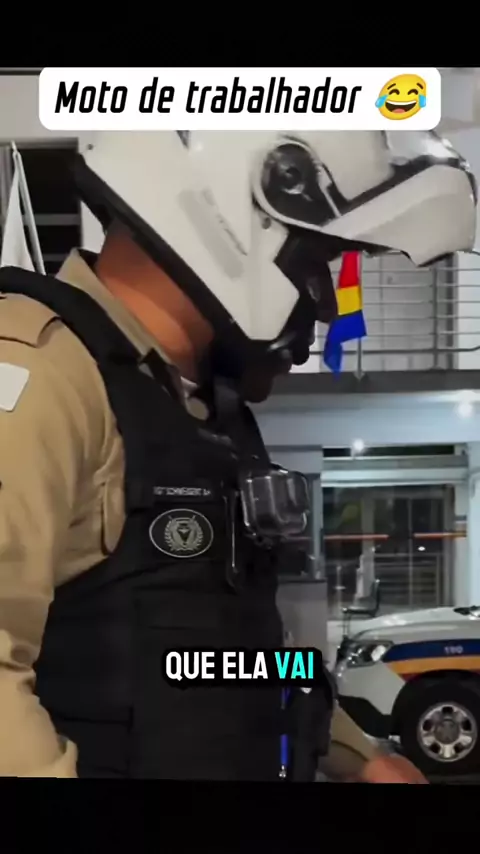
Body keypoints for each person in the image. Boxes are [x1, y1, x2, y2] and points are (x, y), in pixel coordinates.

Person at [0, 130, 475, 779]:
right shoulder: (41, 374)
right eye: (316, 264)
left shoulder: (203, 416)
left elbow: (235, 650)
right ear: (236, 220)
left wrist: (362, 758)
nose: (324, 305)